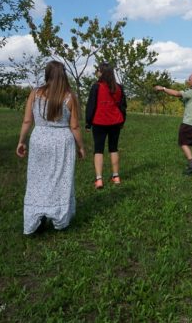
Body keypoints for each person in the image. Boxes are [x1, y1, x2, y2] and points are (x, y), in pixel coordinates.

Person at [16, 61, 86, 235]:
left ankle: (37, 217)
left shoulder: (35, 93)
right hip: (62, 141)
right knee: (60, 179)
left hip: (39, 139)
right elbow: (75, 126)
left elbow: (27, 120)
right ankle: (59, 217)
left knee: (37, 179)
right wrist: (81, 146)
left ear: (47, 74)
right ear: (64, 75)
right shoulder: (70, 96)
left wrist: (21, 141)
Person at [154, 73, 192, 174]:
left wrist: (163, 88)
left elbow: (177, 94)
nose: (188, 80)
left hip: (189, 122)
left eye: (190, 79)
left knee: (183, 142)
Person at [85, 62, 127, 189]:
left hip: (99, 121)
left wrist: (88, 123)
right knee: (113, 148)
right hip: (115, 121)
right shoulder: (119, 87)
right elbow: (123, 106)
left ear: (102, 72)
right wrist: (122, 121)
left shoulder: (96, 87)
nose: (96, 71)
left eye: (98, 70)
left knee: (98, 149)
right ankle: (116, 176)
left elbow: (91, 106)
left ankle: (99, 179)